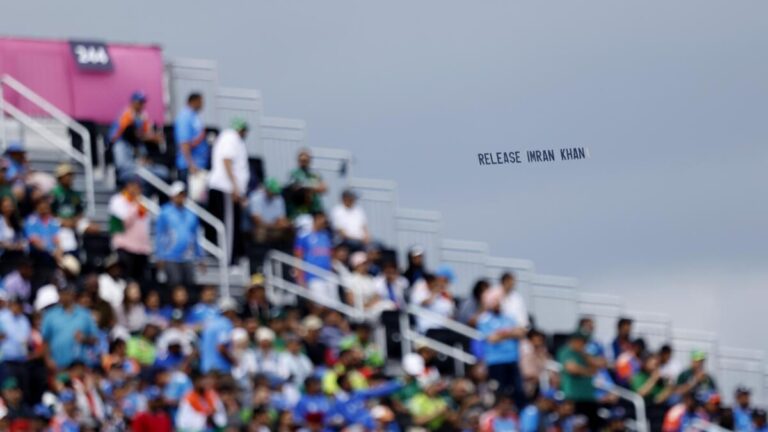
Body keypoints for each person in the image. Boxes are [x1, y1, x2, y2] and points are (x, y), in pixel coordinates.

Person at [207, 118, 251, 263]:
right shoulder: (230, 137)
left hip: (228, 188)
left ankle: (228, 257)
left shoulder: (231, 139)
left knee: (231, 226)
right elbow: (227, 161)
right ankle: (227, 260)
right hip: (226, 188)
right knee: (229, 227)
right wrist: (235, 187)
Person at [477, 287, 527, 409]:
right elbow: (491, 338)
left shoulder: (509, 317)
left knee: (517, 392)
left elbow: (521, 332)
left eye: (499, 300)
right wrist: (510, 333)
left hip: (512, 360)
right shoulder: (484, 319)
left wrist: (502, 334)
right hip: (495, 362)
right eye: (494, 301)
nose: (497, 303)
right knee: (498, 392)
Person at [155, 181, 203, 288]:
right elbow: (160, 235)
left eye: (183, 194)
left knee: (190, 285)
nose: (181, 197)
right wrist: (160, 255)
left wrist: (199, 257)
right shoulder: (165, 212)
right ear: (172, 196)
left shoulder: (191, 214)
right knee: (175, 284)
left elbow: (195, 237)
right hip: (170, 256)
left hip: (188, 256)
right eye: (178, 194)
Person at [41, 284, 98, 368]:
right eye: (61, 293)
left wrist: (84, 339)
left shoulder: (84, 314)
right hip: (57, 365)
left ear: (72, 294)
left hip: (80, 365)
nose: (63, 296)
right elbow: (45, 340)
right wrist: (48, 359)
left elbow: (95, 339)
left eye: (65, 293)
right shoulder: (50, 315)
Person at [110, 91, 162, 183]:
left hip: (133, 143)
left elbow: (145, 132)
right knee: (124, 166)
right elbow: (129, 133)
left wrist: (154, 137)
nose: (142, 105)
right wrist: (150, 137)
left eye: (143, 102)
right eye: (139, 102)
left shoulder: (142, 116)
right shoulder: (127, 114)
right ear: (133, 102)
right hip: (121, 142)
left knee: (145, 153)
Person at [108, 177, 151, 287]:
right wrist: (135, 204)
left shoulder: (141, 202)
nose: (136, 189)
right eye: (133, 186)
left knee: (141, 282)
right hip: (125, 247)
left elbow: (144, 224)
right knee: (125, 281)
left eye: (138, 187)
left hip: (141, 249)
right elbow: (124, 223)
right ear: (127, 186)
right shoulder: (118, 200)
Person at [557, 332, 599, 430]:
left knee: (591, 426)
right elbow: (572, 368)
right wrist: (587, 371)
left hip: (588, 397)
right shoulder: (566, 351)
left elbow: (597, 366)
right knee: (575, 425)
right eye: (582, 341)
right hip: (574, 396)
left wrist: (585, 356)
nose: (584, 344)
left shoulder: (583, 354)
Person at [248, 177, 291, 270]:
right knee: (261, 231)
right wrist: (274, 225)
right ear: (267, 190)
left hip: (273, 228)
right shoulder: (256, 197)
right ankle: (258, 265)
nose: (274, 194)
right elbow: (257, 220)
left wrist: (281, 225)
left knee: (289, 229)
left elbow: (281, 219)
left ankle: (286, 266)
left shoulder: (279, 199)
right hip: (261, 228)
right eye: (273, 192)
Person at [294, 212, 335, 302]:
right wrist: (300, 277)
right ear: (315, 219)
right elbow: (298, 257)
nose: (324, 221)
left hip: (328, 276)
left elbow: (329, 256)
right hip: (313, 277)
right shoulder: (303, 236)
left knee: (335, 305)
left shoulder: (326, 235)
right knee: (321, 305)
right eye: (322, 218)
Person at [174, 93, 208, 183]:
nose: (202, 104)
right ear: (194, 101)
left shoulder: (194, 116)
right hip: (188, 167)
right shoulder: (184, 117)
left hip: (199, 164)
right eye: (200, 101)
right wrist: (191, 164)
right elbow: (184, 142)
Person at [199, 297, 239, 373]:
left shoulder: (209, 324)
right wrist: (234, 362)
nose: (235, 315)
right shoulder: (226, 323)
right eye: (234, 312)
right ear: (229, 311)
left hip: (206, 369)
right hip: (220, 370)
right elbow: (221, 347)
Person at [287, 149, 327, 217]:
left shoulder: (315, 174)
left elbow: (324, 188)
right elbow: (294, 188)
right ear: (298, 161)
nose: (304, 163)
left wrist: (306, 187)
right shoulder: (294, 173)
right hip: (300, 210)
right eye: (302, 161)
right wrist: (314, 187)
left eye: (306, 161)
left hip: (316, 208)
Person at [0, 195, 25, 275]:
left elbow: (20, 238)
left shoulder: (15, 221)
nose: (9, 208)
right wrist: (12, 246)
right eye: (6, 206)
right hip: (3, 256)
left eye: (10, 206)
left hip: (14, 255)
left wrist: (20, 244)